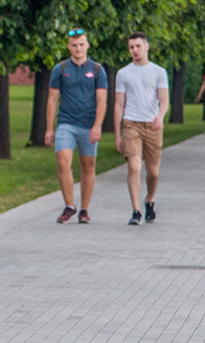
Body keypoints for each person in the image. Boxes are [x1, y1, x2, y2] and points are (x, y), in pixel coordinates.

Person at [45, 29, 108, 223]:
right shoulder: (61, 69)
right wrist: (49, 128)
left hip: (88, 125)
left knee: (87, 166)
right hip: (66, 123)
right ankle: (69, 205)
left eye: (81, 44)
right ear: (68, 47)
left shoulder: (97, 70)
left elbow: (101, 100)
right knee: (63, 161)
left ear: (87, 45)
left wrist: (97, 126)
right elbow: (52, 99)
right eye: (74, 45)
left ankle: (84, 209)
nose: (78, 48)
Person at [113, 31, 170, 226]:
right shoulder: (123, 73)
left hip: (152, 125)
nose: (134, 50)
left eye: (138, 46)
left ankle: (149, 200)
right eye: (131, 47)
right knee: (134, 165)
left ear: (146, 46)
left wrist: (160, 117)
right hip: (131, 124)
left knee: (153, 172)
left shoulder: (158, 72)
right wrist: (117, 133)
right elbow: (119, 105)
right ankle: (135, 210)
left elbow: (164, 100)